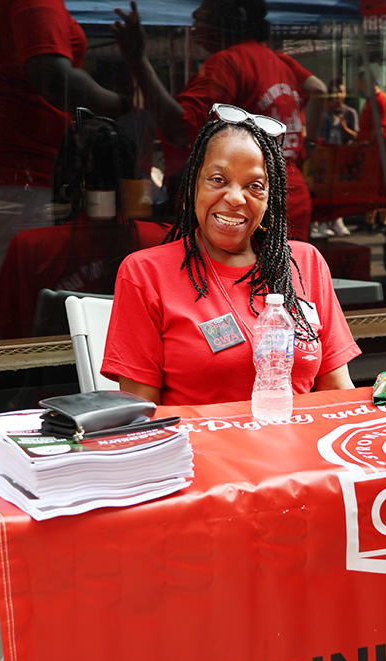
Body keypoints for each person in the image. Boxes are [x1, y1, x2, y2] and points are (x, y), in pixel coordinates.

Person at [101, 106, 360, 405]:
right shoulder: (145, 274)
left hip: (297, 435)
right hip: (199, 437)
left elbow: (339, 393)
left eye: (255, 186)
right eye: (218, 180)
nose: (236, 198)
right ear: (193, 186)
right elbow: (142, 414)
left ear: (269, 199)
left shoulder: (305, 264)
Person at [111, 0, 327, 242]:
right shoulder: (278, 62)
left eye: (205, 9)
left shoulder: (229, 63)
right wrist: (309, 144)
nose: (195, 14)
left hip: (250, 209)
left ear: (232, 18)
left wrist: (138, 61)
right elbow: (318, 89)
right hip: (285, 199)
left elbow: (179, 130)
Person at [0, 114, 170, 339]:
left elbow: (13, 341)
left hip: (55, 362)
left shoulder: (30, 248)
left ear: (69, 175)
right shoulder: (166, 241)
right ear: (132, 174)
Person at [0, 0, 133, 269]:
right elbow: (56, 79)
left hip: (25, 179)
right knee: (26, 280)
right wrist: (127, 106)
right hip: (25, 179)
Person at [314, 77, 360, 239]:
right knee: (324, 190)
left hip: (342, 157)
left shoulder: (348, 113)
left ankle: (337, 220)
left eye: (340, 93)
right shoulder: (324, 115)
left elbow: (355, 136)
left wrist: (344, 127)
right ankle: (322, 223)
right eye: (333, 96)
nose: (337, 98)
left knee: (338, 191)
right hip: (326, 158)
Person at [357, 71, 386, 233]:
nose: (358, 87)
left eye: (359, 83)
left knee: (381, 186)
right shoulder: (371, 100)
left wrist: (368, 142)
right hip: (372, 150)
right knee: (372, 186)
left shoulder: (380, 100)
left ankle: (383, 220)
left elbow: (380, 127)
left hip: (380, 151)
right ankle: (370, 219)